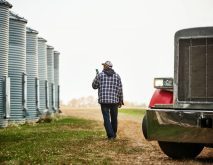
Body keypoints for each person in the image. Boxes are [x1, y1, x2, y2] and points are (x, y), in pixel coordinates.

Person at [92, 61, 124, 140]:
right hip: (114, 101)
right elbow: (120, 89)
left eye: (104, 65)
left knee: (106, 118)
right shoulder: (117, 76)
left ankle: (111, 135)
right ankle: (114, 134)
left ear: (106, 66)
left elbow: (94, 86)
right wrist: (121, 100)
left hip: (104, 101)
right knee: (114, 118)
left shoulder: (100, 75)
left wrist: (96, 77)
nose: (103, 67)